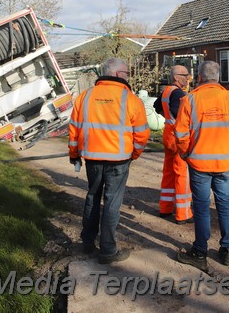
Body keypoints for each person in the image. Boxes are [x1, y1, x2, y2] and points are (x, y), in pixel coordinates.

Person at [68, 58, 150, 264]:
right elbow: (142, 134)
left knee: (92, 197)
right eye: (126, 73)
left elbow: (74, 129)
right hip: (119, 160)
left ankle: (87, 243)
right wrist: (135, 154)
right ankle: (107, 250)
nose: (128, 76)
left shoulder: (85, 97)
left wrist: (74, 154)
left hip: (92, 158)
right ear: (117, 74)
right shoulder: (130, 99)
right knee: (112, 202)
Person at [174, 61, 229, 270]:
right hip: (225, 163)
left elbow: (180, 134)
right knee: (224, 204)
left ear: (199, 77)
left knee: (201, 208)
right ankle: (227, 250)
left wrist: (185, 153)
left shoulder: (190, 99)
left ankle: (200, 251)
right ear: (218, 77)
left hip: (199, 162)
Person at [153, 65, 193, 224]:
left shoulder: (167, 91)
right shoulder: (178, 94)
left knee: (169, 171)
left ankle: (165, 207)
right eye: (185, 75)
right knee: (181, 173)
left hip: (168, 134)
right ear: (177, 77)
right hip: (177, 137)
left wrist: (167, 117)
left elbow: (157, 107)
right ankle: (183, 214)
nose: (188, 78)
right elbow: (180, 114)